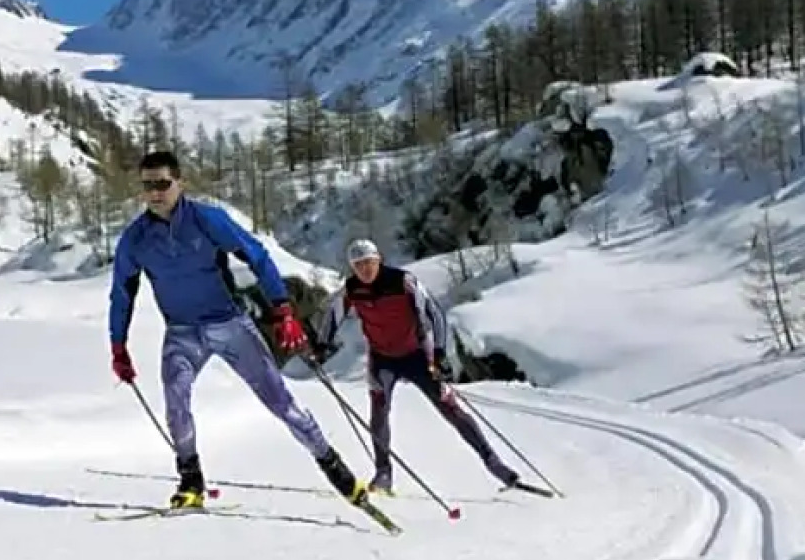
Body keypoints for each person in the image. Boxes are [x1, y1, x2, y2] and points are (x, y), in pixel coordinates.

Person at [107, 150, 373, 511]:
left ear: (179, 183)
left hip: (230, 325)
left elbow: (256, 255)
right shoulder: (135, 239)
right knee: (175, 402)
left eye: (162, 184)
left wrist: (282, 309)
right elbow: (122, 293)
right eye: (148, 185)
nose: (155, 192)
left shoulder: (207, 219)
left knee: (280, 402)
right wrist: (118, 346)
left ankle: (334, 466)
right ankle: (190, 481)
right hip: (182, 333)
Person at [314, 238, 521, 494]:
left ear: (378, 260)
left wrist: (440, 353)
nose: (364, 270)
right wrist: (321, 345)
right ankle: (383, 474)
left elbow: (435, 313)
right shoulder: (352, 289)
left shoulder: (403, 282)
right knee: (379, 413)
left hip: (417, 355)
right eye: (358, 265)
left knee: (449, 408)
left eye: (368, 263)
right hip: (382, 359)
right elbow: (332, 316)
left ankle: (494, 463)